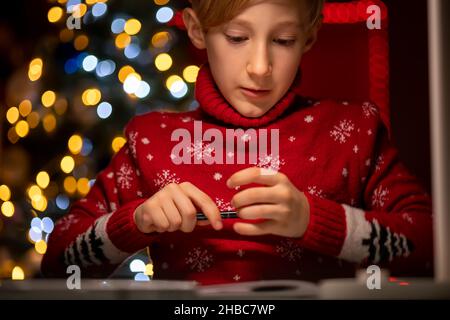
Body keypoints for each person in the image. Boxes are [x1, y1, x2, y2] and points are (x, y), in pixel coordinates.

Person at [41, 0, 433, 285]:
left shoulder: (352, 131)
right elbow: (59, 262)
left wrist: (315, 221)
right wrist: (136, 221)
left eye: (282, 40)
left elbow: (430, 244)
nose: (260, 67)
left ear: (309, 36)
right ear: (197, 30)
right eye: (237, 37)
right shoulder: (151, 140)